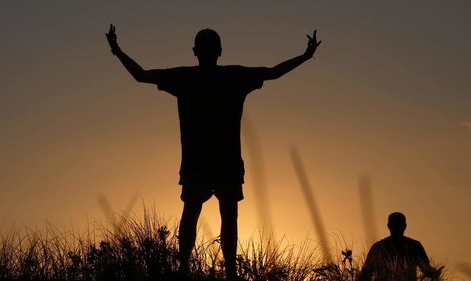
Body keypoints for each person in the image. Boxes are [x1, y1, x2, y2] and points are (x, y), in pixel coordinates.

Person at [105, 24, 321, 280]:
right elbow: (273, 73)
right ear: (216, 51)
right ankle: (219, 271)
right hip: (218, 163)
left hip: (207, 164)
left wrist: (117, 51)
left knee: (201, 212)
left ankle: (193, 269)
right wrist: (305, 57)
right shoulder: (230, 77)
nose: (207, 52)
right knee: (221, 214)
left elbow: (140, 75)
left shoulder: (189, 78)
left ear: (198, 51)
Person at [357, 212, 442, 281]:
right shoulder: (415, 246)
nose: (397, 227)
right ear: (405, 226)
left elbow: (365, 274)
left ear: (388, 226)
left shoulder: (378, 247)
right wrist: (436, 273)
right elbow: (427, 269)